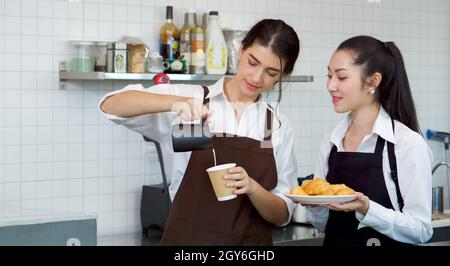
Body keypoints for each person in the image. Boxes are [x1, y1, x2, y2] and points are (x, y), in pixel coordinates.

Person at [98, 19, 300, 245]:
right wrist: (177, 103)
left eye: (271, 73)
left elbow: (283, 214)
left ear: (282, 74)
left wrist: (253, 188)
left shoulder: (275, 124)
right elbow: (111, 106)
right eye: (253, 62)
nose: (257, 78)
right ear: (241, 50)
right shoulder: (193, 101)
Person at [306, 35, 433, 246]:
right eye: (329, 75)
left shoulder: (406, 143)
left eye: (342, 77)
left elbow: (421, 230)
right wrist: (314, 203)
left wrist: (367, 208)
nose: (330, 85)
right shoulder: (331, 141)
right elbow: (323, 225)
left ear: (373, 81)